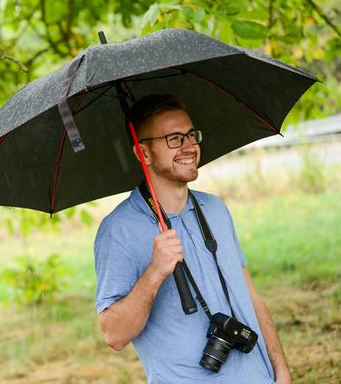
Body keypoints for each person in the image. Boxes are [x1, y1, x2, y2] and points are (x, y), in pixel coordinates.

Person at [94, 95, 291, 383]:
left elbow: (250, 297)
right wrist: (155, 272)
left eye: (190, 135)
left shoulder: (215, 209)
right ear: (143, 153)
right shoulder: (118, 230)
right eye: (174, 138)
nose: (189, 147)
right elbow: (114, 334)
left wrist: (279, 368)